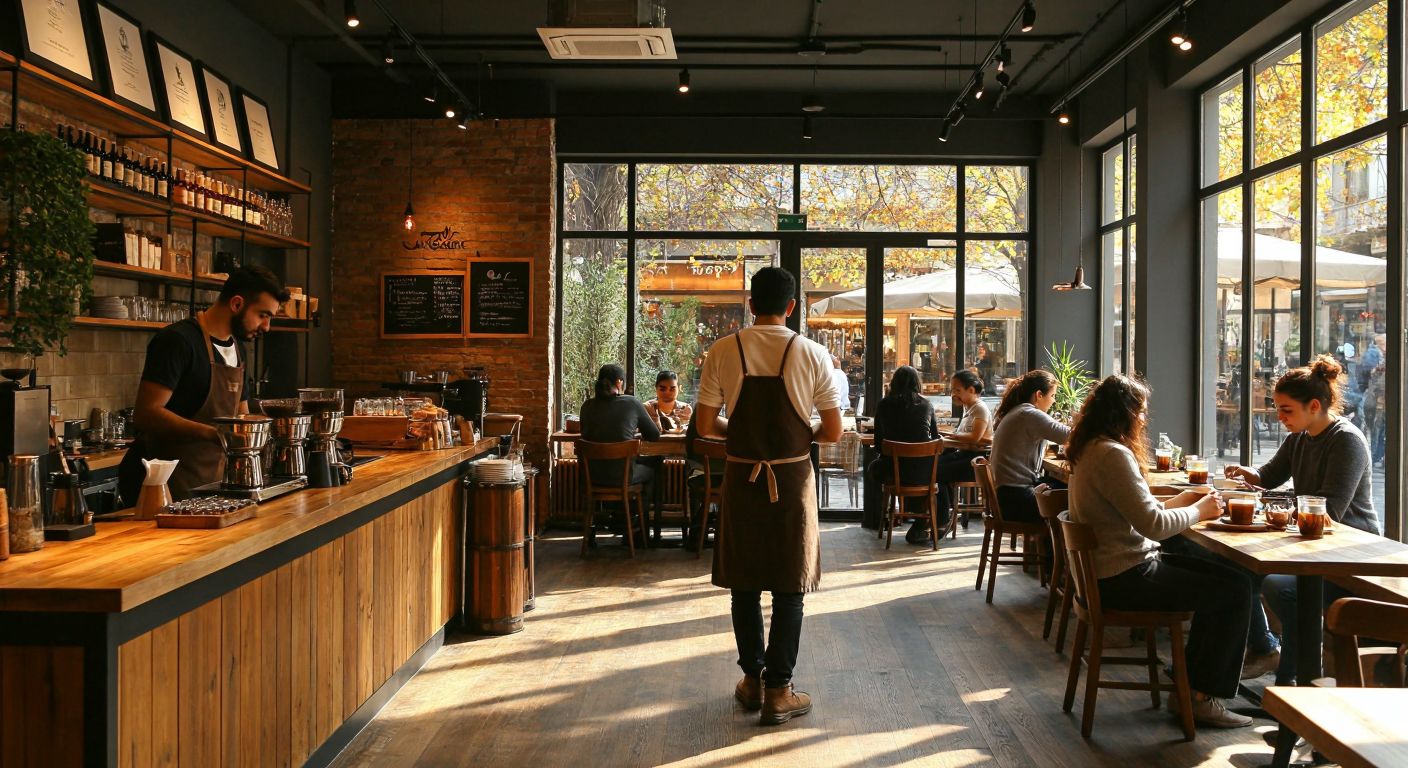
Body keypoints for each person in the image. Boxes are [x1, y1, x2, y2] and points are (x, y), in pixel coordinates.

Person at [695, 266, 842, 726]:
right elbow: (833, 431)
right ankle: (780, 690)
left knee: (745, 583)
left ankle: (752, 680)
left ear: (751, 304)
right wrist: (799, 437)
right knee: (788, 586)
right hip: (792, 479)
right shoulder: (813, 353)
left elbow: (704, 426)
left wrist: (738, 434)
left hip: (741, 479)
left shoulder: (722, 350)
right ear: (792, 306)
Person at [1067, 375, 1252, 728]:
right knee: (1234, 589)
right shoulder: (1112, 454)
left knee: (1226, 578)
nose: (1143, 420)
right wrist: (1201, 512)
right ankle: (1197, 698)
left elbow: (1138, 510)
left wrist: (1186, 500)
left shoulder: (1091, 447)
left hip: (1107, 574)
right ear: (1124, 413)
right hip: (1122, 577)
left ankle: (1190, 687)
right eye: (1141, 412)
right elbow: (1152, 525)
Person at [1224, 356, 1378, 685]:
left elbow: (1330, 510)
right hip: (1311, 548)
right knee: (1236, 574)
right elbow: (1268, 476)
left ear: (1313, 405)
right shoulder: (1299, 438)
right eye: (1277, 408)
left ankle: (1293, 681)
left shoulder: (1346, 441)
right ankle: (1268, 650)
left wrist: (1274, 503)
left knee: (1283, 589)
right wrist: (1247, 476)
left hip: (1349, 556)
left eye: (1286, 410)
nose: (1279, 417)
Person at [119, 266, 288, 505]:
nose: (267, 327)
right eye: (263, 315)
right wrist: (214, 434)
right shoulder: (178, 341)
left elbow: (241, 415)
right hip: (163, 485)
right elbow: (146, 414)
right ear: (237, 304)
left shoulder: (238, 349)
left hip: (212, 483)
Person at [579, 364, 662, 544]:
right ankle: (641, 531)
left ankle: (614, 523)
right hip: (623, 478)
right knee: (654, 467)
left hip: (592, 477)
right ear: (619, 382)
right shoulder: (631, 403)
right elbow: (654, 435)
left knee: (627, 465)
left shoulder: (586, 406)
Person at [863, 366, 939, 544]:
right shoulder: (927, 405)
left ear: (894, 383)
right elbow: (934, 439)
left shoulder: (883, 404)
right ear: (917, 383)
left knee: (874, 468)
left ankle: (880, 519)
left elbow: (879, 444)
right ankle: (922, 521)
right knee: (927, 473)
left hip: (893, 474)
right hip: (921, 474)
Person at [988, 369, 1071, 524]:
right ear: (1039, 395)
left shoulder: (1019, 411)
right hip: (1015, 499)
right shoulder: (1029, 414)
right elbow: (1069, 435)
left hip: (1006, 496)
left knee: (1062, 489)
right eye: (1052, 396)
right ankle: (1053, 548)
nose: (1054, 401)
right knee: (1071, 502)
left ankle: (1047, 548)